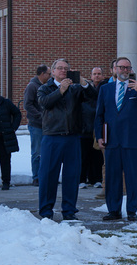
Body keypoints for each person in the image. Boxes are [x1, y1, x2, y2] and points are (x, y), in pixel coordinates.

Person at [37, 58, 97, 220]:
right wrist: (60, 91)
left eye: (66, 68)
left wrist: (84, 83)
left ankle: (69, 211)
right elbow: (44, 103)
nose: (63, 71)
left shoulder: (76, 89)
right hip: (52, 137)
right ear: (53, 71)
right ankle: (46, 211)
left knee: (72, 176)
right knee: (48, 176)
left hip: (72, 137)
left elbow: (93, 96)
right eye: (60, 68)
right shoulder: (45, 88)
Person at [95, 57, 137, 221]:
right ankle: (113, 210)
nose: (125, 71)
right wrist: (99, 136)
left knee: (133, 177)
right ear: (114, 69)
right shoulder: (106, 89)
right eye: (121, 67)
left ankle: (132, 210)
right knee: (112, 177)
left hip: (133, 140)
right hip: (112, 140)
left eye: (128, 68)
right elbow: (99, 115)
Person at [0, 84, 22, 190]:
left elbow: (17, 114)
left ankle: (6, 183)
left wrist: (13, 127)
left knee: (5, 162)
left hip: (4, 138)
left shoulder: (5, 103)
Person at [22, 64, 50, 186]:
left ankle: (45, 175)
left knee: (47, 152)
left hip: (48, 125)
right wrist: (40, 115)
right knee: (37, 152)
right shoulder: (32, 86)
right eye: (49, 74)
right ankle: (36, 177)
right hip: (36, 125)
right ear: (42, 74)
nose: (50, 76)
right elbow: (27, 104)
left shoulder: (47, 86)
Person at [80, 66, 106, 188]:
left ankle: (96, 179)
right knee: (83, 155)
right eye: (94, 74)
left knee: (97, 155)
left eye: (99, 74)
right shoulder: (84, 88)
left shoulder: (105, 88)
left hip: (97, 128)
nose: (96, 76)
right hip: (84, 127)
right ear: (91, 76)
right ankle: (82, 179)